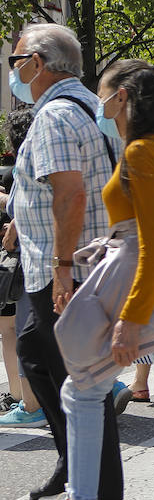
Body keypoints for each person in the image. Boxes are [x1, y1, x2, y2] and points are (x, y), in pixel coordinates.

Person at [11, 60, 154, 500]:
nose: (98, 104)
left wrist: (130, 318)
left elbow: (152, 242)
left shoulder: (143, 152)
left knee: (81, 388)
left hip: (144, 284)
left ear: (123, 97)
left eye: (103, 94)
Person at [4, 23, 125, 500]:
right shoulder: (93, 109)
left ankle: (94, 488)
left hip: (69, 266)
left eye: (17, 61)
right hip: (90, 259)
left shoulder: (54, 115)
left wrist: (59, 267)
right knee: (40, 355)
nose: (13, 71)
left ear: (37, 62)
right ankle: (76, 466)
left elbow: (70, 193)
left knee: (74, 376)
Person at [0, 107, 41, 427]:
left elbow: (17, 205)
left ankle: (29, 403)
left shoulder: (25, 165)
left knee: (21, 332)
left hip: (31, 260)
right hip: (64, 258)